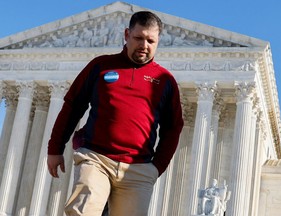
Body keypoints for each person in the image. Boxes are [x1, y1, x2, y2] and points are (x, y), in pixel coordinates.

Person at [47, 11, 184, 216]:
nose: (144, 45)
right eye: (138, 38)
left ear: (157, 42)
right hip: (96, 158)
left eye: (150, 40)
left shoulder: (165, 80)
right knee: (83, 211)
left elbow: (173, 127)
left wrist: (156, 167)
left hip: (138, 169)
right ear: (127, 34)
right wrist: (55, 148)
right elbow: (73, 106)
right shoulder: (100, 66)